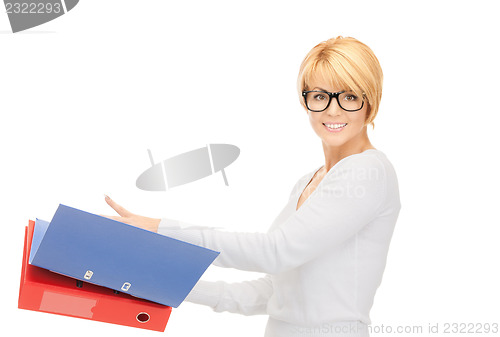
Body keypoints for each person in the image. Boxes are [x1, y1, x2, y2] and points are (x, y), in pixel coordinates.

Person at [102, 36, 401, 337]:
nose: (333, 110)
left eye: (349, 96)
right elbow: (275, 291)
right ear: (305, 100)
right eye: (321, 96)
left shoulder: (368, 172)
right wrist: (160, 281)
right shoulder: (308, 182)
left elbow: (274, 252)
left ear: (370, 100)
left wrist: (160, 230)